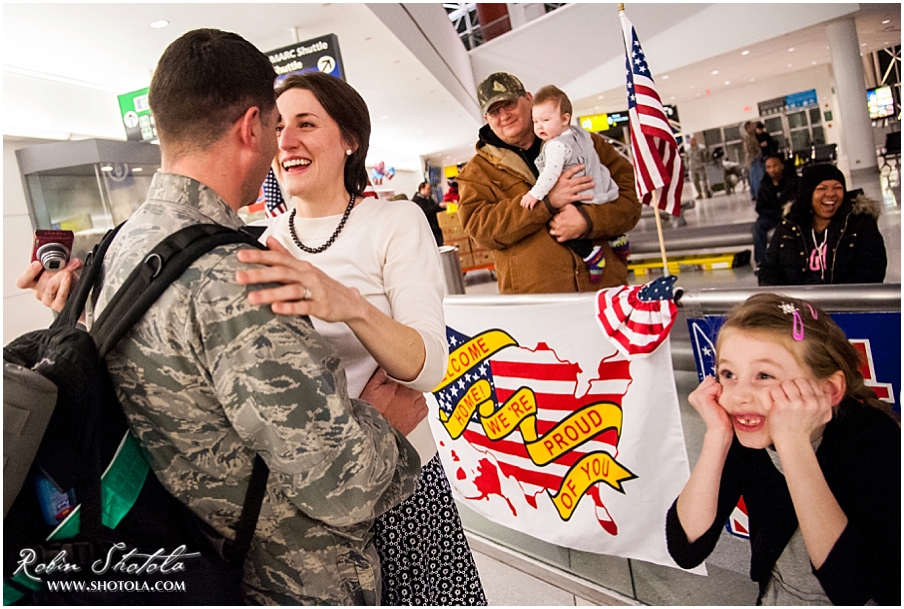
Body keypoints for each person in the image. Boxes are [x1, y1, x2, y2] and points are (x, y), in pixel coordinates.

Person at [17, 29, 421, 605]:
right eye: (278, 127)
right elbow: (341, 482)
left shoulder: (115, 249)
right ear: (250, 127)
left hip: (179, 558)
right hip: (279, 581)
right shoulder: (238, 275)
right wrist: (384, 422)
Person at [233, 72, 486, 606]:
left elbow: (430, 365)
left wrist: (348, 305)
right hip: (312, 493)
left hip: (397, 479)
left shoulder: (395, 221)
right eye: (279, 128)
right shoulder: (265, 242)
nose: (287, 141)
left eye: (306, 124)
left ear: (349, 139)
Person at [666, 293, 900, 605]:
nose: (738, 396)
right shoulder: (745, 434)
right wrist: (717, 436)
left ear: (829, 389)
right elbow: (687, 548)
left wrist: (793, 443)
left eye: (764, 376)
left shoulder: (875, 440)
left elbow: (852, 588)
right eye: (728, 374)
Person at [457, 72, 641, 294]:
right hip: (539, 307)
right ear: (487, 119)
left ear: (528, 99)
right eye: (494, 111)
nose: (503, 115)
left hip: (605, 294)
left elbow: (631, 196)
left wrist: (588, 221)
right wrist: (548, 202)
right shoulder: (477, 172)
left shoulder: (585, 142)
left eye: (509, 104)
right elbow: (481, 229)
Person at [519, 85, 624, 283]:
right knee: (603, 215)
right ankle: (617, 238)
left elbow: (550, 174)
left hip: (580, 196)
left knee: (560, 224)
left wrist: (535, 194)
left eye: (546, 120)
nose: (539, 127)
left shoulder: (555, 145)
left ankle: (592, 255)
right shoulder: (581, 134)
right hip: (601, 189)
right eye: (535, 121)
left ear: (565, 119)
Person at [758, 163, 886, 286]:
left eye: (837, 188)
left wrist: (837, 299)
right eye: (821, 188)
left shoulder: (860, 223)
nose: (831, 194)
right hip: (797, 305)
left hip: (848, 304)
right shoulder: (790, 225)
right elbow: (768, 270)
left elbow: (873, 269)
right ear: (808, 194)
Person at [753, 154, 799, 269]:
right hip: (772, 217)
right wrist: (777, 213)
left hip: (791, 216)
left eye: (774, 166)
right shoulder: (764, 186)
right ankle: (761, 261)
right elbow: (760, 208)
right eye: (768, 167)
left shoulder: (794, 182)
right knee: (758, 226)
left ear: (781, 166)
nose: (771, 170)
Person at [412, 181, 447, 246]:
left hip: (436, 227)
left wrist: (442, 207)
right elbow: (426, 211)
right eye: (428, 189)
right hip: (428, 229)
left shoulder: (429, 198)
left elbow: (434, 208)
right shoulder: (417, 201)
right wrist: (438, 206)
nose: (430, 191)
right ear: (422, 189)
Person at [744, 121, 765, 201]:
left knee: (754, 177)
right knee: (757, 177)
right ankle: (758, 194)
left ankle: (755, 194)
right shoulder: (748, 137)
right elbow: (750, 148)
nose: (754, 127)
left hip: (753, 158)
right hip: (754, 158)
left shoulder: (752, 135)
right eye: (752, 126)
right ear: (748, 128)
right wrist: (757, 153)